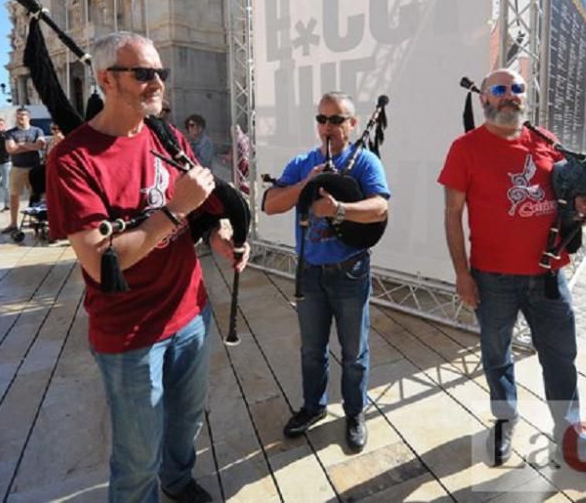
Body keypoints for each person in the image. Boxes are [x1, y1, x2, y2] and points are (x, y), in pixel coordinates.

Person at [47, 31, 249, 503]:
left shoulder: (165, 134)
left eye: (160, 72)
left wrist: (220, 236)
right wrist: (174, 211)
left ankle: (177, 482)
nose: (156, 82)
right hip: (130, 334)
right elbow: (101, 263)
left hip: (190, 315)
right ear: (106, 80)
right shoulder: (73, 159)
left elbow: (200, 211)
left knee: (185, 423)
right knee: (137, 458)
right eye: (142, 73)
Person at [438, 69, 586, 492]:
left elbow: (565, 199)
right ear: (484, 99)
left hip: (548, 273)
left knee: (561, 356)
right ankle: (505, 416)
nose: (510, 96)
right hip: (492, 277)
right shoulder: (464, 149)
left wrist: (580, 209)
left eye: (517, 89)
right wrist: (462, 274)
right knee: (496, 352)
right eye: (500, 90)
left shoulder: (545, 142)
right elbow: (452, 215)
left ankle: (571, 436)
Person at [262, 92, 390, 452]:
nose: (328, 127)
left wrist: (338, 210)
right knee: (311, 349)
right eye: (322, 119)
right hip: (310, 273)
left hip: (349, 270)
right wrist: (306, 184)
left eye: (337, 120)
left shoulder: (364, 161)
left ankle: (354, 413)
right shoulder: (303, 162)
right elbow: (270, 204)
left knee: (354, 351)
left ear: (352, 124)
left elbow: (379, 207)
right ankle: (313, 407)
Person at [2, 108, 45, 234]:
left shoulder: (37, 130)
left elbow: (40, 146)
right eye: (18, 115)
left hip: (34, 168)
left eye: (23, 115)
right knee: (14, 195)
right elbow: (10, 149)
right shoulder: (10, 133)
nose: (20, 117)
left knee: (36, 195)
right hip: (17, 168)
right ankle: (13, 223)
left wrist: (20, 145)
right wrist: (29, 146)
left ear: (29, 117)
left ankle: (34, 220)